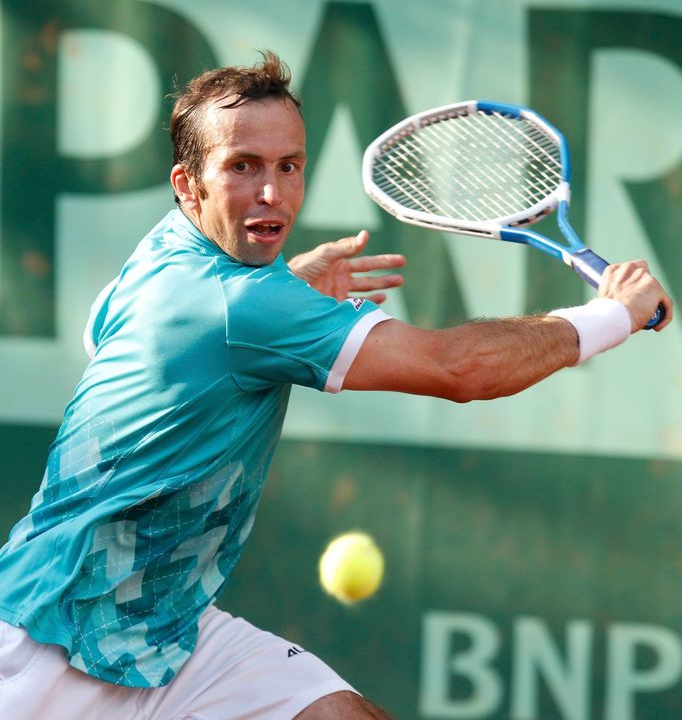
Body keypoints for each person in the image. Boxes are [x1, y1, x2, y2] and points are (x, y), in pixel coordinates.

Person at [0, 51, 671, 720]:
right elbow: (459, 369)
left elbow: (108, 332)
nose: (273, 193)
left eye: (288, 165)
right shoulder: (248, 306)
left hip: (161, 623)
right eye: (242, 167)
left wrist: (282, 287)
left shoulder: (163, 253)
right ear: (188, 183)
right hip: (48, 641)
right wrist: (614, 313)